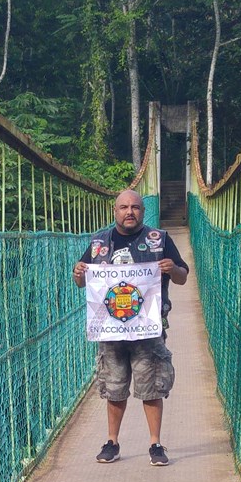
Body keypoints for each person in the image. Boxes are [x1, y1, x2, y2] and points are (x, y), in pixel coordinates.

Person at [72, 189, 188, 465]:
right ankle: (112, 442)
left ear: (142, 211)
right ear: (115, 211)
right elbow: (82, 282)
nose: (129, 212)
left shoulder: (159, 240)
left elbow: (182, 277)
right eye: (123, 207)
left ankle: (155, 444)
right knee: (114, 387)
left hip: (148, 331)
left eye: (135, 207)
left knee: (151, 387)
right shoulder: (99, 243)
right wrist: (78, 273)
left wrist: (172, 268)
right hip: (111, 331)